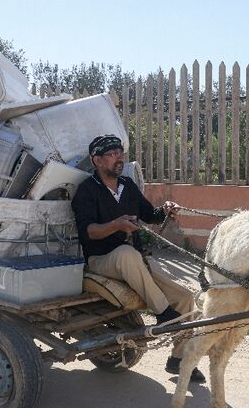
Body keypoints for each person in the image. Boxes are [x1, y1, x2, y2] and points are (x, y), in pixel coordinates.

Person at [71, 134, 205, 383]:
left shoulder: (127, 185)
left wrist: (165, 210)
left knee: (186, 299)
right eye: (112, 154)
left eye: (120, 152)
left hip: (135, 259)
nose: (119, 158)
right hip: (101, 260)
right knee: (126, 254)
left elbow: (150, 214)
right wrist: (117, 225)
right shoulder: (87, 191)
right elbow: (88, 231)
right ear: (97, 160)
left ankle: (179, 360)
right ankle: (162, 312)